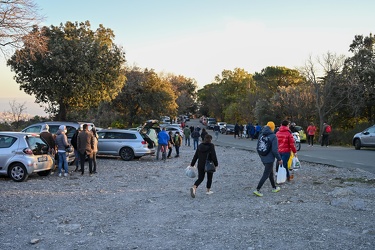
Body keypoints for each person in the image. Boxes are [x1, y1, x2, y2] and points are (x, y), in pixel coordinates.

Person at [253, 121, 282, 197]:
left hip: (263, 157)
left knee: (270, 173)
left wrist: (261, 156)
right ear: (273, 128)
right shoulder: (273, 136)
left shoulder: (261, 135)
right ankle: (257, 189)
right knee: (266, 174)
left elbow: (257, 147)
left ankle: (274, 187)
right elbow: (275, 150)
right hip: (269, 159)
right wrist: (279, 159)